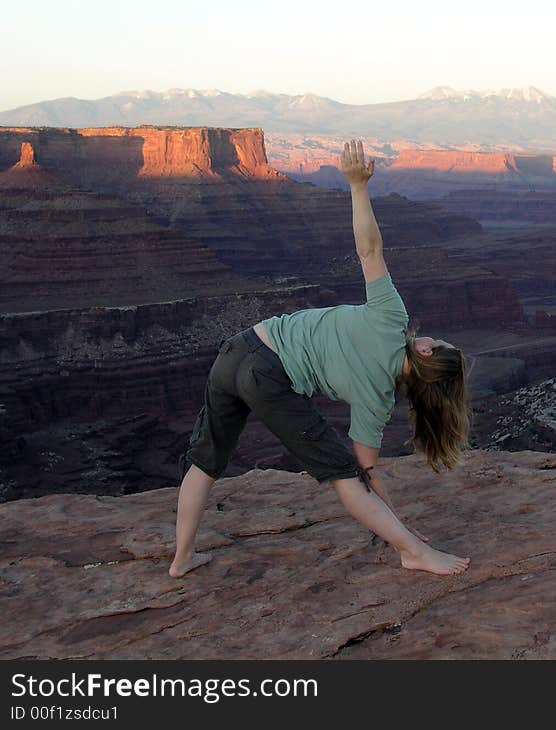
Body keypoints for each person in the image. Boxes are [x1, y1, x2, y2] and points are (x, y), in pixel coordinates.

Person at [169, 139, 471, 578]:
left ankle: (181, 559)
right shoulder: (378, 402)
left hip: (238, 348)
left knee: (205, 460)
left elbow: (369, 250)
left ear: (425, 350)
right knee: (344, 476)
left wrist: (357, 186)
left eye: (438, 341)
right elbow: (365, 478)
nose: (433, 338)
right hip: (266, 375)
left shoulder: (391, 318)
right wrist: (406, 534)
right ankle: (414, 554)